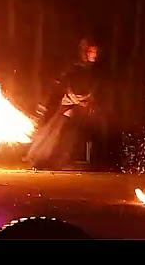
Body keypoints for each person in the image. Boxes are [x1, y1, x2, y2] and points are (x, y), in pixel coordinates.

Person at [26, 37, 117, 171]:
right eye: (91, 52)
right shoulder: (74, 68)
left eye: (95, 52)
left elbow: (95, 90)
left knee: (91, 129)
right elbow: (62, 84)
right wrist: (72, 99)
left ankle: (96, 161)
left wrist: (89, 101)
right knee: (62, 132)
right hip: (70, 105)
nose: (94, 55)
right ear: (84, 52)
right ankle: (50, 161)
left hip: (85, 107)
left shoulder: (95, 71)